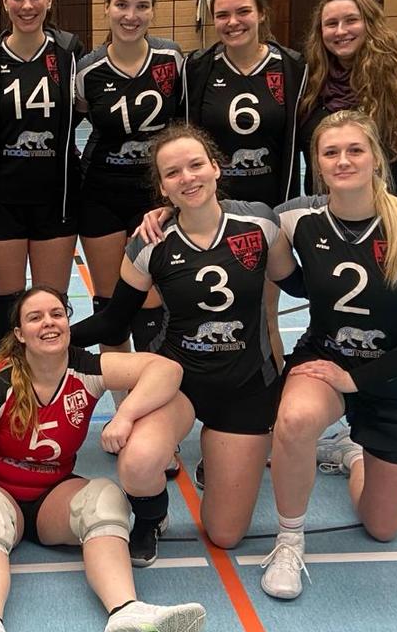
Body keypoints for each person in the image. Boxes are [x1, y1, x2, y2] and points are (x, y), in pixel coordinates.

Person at [0, 287, 204, 632]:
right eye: (36, 317)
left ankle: (127, 614)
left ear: (68, 323)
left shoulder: (86, 369)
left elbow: (167, 371)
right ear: (20, 334)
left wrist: (125, 416)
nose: (49, 323)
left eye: (57, 314)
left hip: (50, 499)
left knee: (105, 497)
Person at [73, 123, 298, 556]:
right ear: (162, 187)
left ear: (216, 168)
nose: (187, 178)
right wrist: (49, 339)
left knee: (225, 535)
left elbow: (300, 283)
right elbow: (114, 323)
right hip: (178, 383)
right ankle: (151, 518)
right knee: (138, 462)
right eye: (173, 173)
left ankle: (221, 460)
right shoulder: (149, 242)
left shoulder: (259, 223)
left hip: (246, 387)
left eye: (196, 165)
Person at [261, 110, 397, 601]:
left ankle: (353, 455)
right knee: (294, 420)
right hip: (326, 358)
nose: (343, 161)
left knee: (382, 528)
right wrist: (163, 214)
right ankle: (289, 541)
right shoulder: (296, 217)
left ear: (375, 158)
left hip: (396, 376)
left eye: (354, 150)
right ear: (317, 163)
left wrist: (358, 380)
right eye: (331, 153)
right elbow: (228, 217)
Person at [298, 0, 397, 494]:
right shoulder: (313, 83)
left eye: (350, 20)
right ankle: (352, 429)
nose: (341, 31)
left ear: (370, 22)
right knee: (338, 323)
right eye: (331, 23)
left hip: (395, 226)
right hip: (338, 223)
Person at [185, 0, 309, 374]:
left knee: (264, 313)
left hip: (270, 213)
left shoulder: (292, 66)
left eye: (243, 12)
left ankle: (272, 398)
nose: (233, 22)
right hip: (211, 215)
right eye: (222, 15)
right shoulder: (198, 68)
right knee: (208, 314)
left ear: (262, 14)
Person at [0, 0, 84, 343]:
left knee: (51, 306)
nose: (27, 5)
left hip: (57, 199)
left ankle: (55, 377)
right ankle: (8, 378)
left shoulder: (70, 53)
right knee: (8, 308)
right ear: (4, 1)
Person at [74, 0, 182, 359]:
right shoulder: (87, 69)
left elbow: (185, 125)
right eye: (121, 5)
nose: (131, 15)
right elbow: (70, 122)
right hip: (100, 194)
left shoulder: (171, 59)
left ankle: (154, 385)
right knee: (109, 305)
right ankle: (121, 391)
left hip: (153, 197)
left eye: (141, 6)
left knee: (151, 297)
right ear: (106, 7)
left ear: (153, 10)